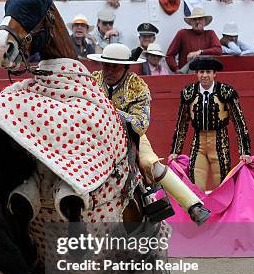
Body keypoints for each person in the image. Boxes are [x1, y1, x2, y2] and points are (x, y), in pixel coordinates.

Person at [88, 43, 210, 224]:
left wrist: (110, 111)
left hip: (129, 136)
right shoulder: (91, 81)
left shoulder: (138, 87)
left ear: (125, 68)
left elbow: (140, 124)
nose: (109, 71)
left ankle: (193, 205)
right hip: (94, 135)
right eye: (106, 65)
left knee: (148, 163)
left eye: (115, 67)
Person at [169, 56, 251, 190]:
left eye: (208, 72)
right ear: (197, 74)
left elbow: (239, 122)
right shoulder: (188, 93)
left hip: (220, 144)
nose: (204, 75)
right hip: (198, 145)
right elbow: (182, 124)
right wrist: (175, 151)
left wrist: (245, 151)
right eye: (201, 72)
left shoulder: (226, 92)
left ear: (214, 73)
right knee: (195, 188)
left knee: (223, 187)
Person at [166, 7, 222, 73]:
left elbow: (218, 50)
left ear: (204, 21)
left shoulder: (210, 34)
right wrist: (176, 69)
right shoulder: (182, 34)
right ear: (191, 22)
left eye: (200, 19)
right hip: (186, 75)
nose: (197, 21)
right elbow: (169, 55)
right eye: (194, 19)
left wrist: (200, 52)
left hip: (205, 75)